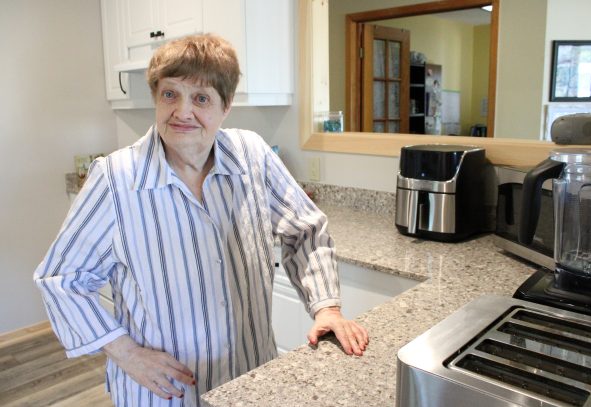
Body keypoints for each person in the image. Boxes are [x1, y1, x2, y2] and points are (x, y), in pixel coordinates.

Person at [33, 33, 368, 406]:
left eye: (201, 98)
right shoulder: (115, 178)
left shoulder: (251, 156)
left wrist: (326, 307)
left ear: (225, 108)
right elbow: (61, 279)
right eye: (170, 94)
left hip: (249, 377)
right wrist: (127, 354)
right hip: (162, 390)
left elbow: (305, 229)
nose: (182, 111)